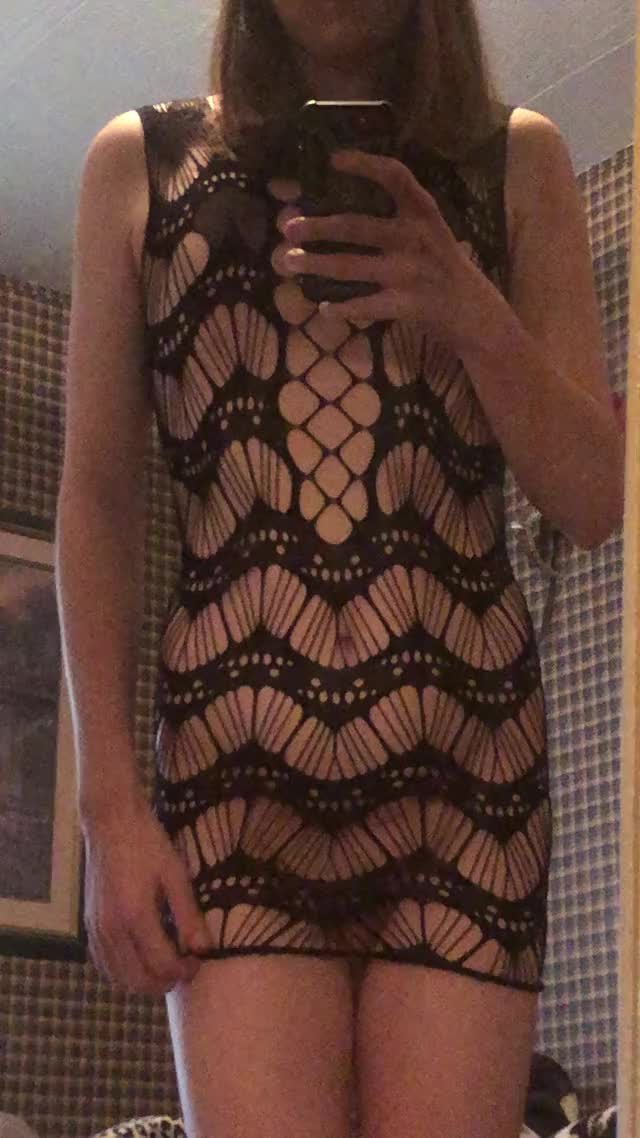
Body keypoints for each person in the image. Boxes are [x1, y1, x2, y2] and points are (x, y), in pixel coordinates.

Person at [55, 1, 625, 1136]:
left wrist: (467, 305)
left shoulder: (520, 161)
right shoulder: (138, 167)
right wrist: (109, 808)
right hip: (235, 789)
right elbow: (99, 499)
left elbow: (594, 499)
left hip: (466, 789)